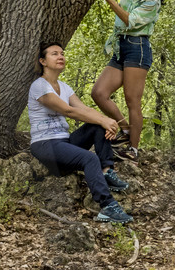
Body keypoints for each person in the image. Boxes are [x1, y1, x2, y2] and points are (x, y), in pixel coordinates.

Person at [29, 42, 133, 224]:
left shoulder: (64, 87)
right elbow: (68, 111)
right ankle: (107, 206)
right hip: (45, 144)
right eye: (54, 54)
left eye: (62, 53)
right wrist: (103, 119)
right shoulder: (39, 86)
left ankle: (107, 172)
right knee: (89, 158)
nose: (61, 57)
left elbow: (84, 109)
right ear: (43, 61)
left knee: (97, 126)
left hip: (64, 143)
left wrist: (107, 121)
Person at [91, 0, 166, 159]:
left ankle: (133, 149)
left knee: (132, 100)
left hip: (137, 48)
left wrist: (109, 0)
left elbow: (130, 20)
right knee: (98, 93)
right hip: (120, 46)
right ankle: (125, 129)